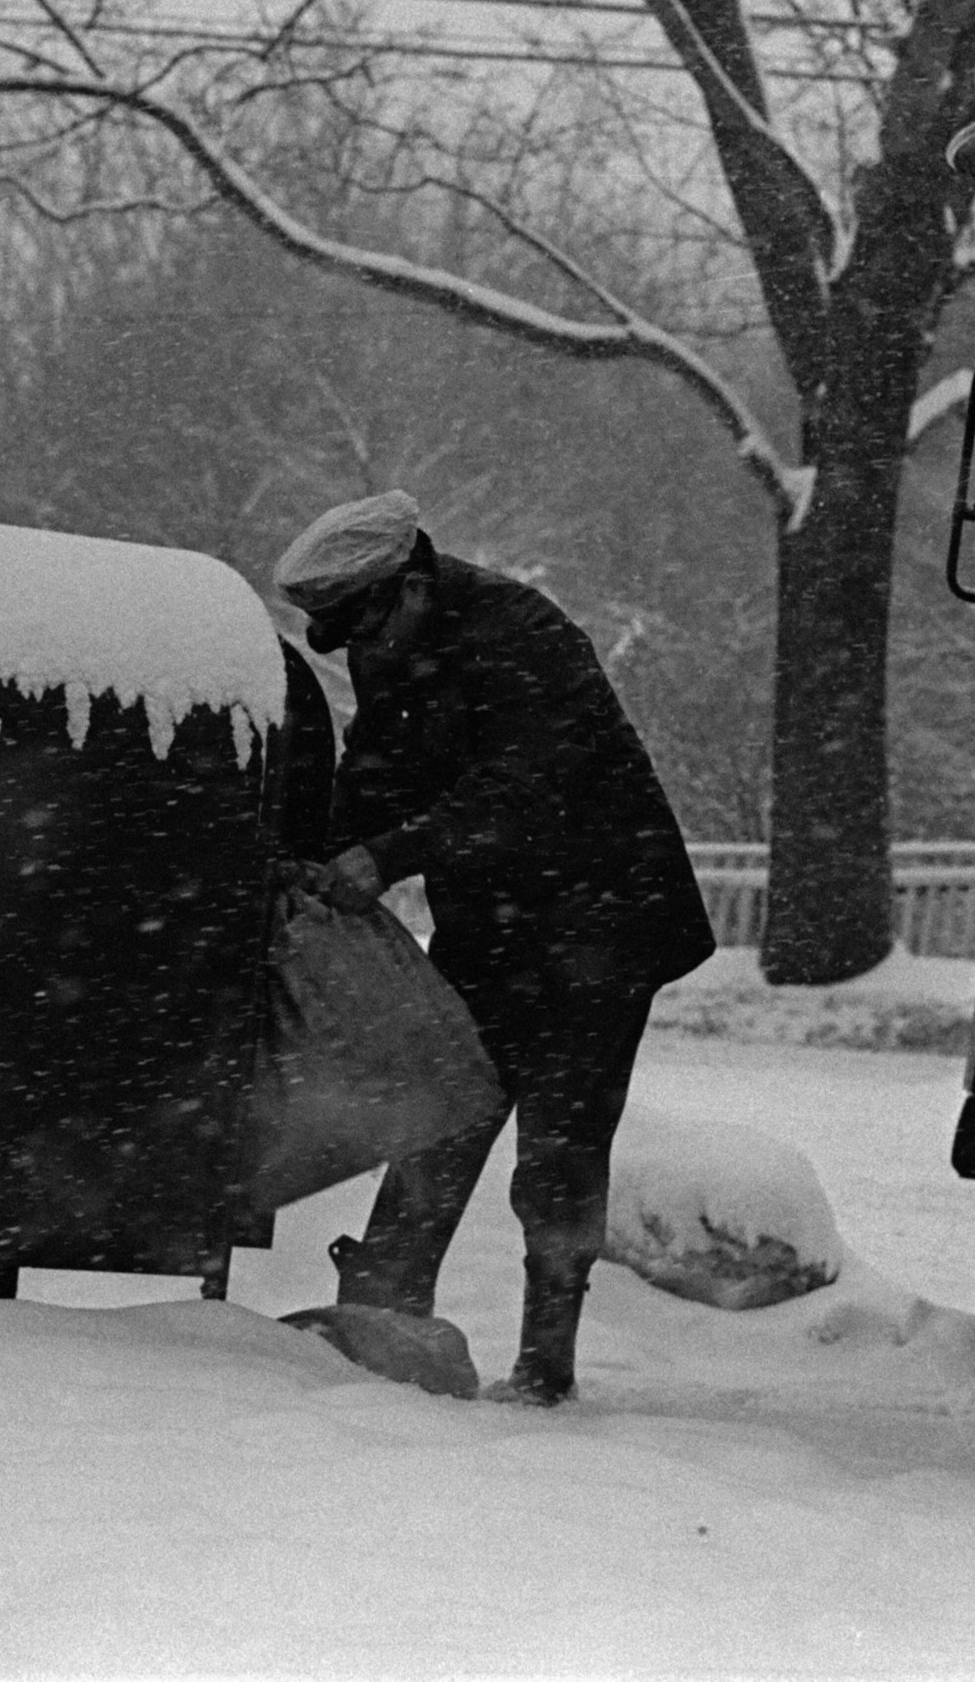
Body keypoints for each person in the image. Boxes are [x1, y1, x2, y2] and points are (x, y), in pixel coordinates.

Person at [274, 490, 715, 1405]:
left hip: (602, 922)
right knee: (438, 1109)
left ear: (408, 583)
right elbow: (378, 769)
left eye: (360, 625)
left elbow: (526, 787)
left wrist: (388, 855)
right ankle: (385, 1325)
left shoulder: (523, 633)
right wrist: (316, 857)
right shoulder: (393, 642)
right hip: (495, 925)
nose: (360, 650)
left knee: (560, 1145)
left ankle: (545, 1364)